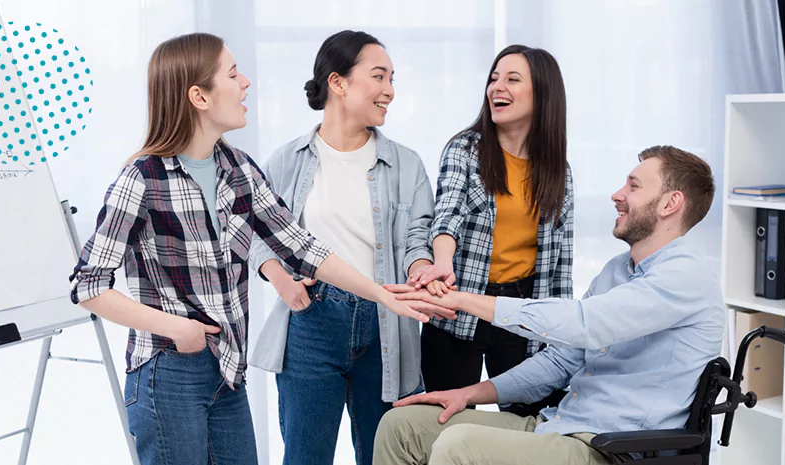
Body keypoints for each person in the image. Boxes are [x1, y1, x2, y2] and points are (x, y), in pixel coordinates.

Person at [68, 32, 452, 465]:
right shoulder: (143, 178)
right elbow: (88, 285)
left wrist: (382, 293)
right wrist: (175, 327)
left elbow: (301, 247)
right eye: (232, 74)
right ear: (199, 96)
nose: (246, 82)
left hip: (229, 372)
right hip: (167, 371)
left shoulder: (239, 170)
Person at [374, 145, 724, 465]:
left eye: (633, 187)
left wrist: (462, 299)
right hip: (561, 425)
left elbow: (586, 324)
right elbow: (563, 358)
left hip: (612, 449)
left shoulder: (686, 276)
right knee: (401, 426)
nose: (617, 195)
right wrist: (468, 394)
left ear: (669, 204)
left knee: (459, 446)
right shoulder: (617, 270)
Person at [248, 30, 437, 465]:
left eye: (392, 79)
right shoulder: (287, 160)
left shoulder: (406, 164)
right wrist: (281, 282)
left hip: (386, 323)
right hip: (312, 320)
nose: (389, 90)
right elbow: (255, 234)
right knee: (306, 456)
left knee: (385, 455)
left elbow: (416, 238)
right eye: (378, 76)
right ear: (338, 82)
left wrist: (420, 268)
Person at [407, 45, 574, 413]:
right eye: (494, 78)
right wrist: (442, 263)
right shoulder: (465, 150)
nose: (497, 87)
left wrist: (562, 332)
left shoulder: (558, 171)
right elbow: (447, 213)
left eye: (512, 79)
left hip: (519, 315)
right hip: (457, 307)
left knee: (526, 427)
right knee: (443, 422)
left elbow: (561, 264)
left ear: (542, 92)